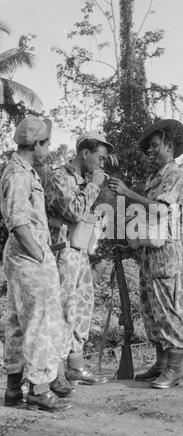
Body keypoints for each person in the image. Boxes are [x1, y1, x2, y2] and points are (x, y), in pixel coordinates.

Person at [108, 119, 183, 389]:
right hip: (148, 254)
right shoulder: (154, 179)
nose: (151, 151)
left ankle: (175, 369)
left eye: (155, 146)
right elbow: (148, 221)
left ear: (170, 146)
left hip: (165, 255)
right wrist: (131, 246)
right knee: (151, 311)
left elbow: (160, 211)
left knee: (167, 310)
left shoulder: (175, 176)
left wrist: (127, 192)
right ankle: (161, 364)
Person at [0, 115, 72, 411]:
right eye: (47, 143)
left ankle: (14, 388)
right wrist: (41, 256)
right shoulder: (19, 174)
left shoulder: (24, 171)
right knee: (41, 321)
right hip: (29, 256)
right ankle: (40, 390)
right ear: (36, 144)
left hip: (21, 255)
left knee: (18, 321)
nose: (49, 149)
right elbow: (16, 220)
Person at [44, 132, 114, 395]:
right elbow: (72, 211)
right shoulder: (58, 177)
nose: (102, 164)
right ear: (85, 153)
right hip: (61, 253)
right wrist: (94, 185)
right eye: (100, 157)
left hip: (79, 252)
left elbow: (83, 213)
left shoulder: (82, 181)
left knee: (83, 306)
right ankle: (56, 372)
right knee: (63, 311)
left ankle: (75, 365)